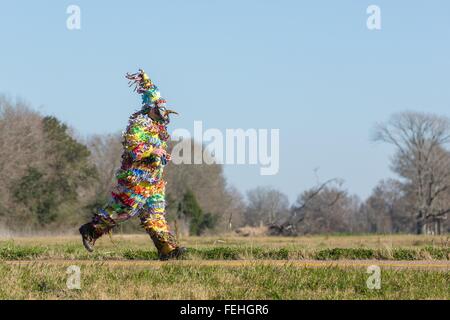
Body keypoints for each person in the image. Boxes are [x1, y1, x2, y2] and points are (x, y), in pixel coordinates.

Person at [79, 69, 186, 260]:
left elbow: (156, 147)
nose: (163, 113)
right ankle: (91, 230)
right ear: (151, 107)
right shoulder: (139, 123)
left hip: (154, 179)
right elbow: (132, 148)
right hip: (137, 177)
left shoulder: (157, 127)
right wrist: (153, 151)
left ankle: (167, 250)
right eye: (159, 108)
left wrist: (162, 156)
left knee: (155, 213)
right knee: (125, 209)